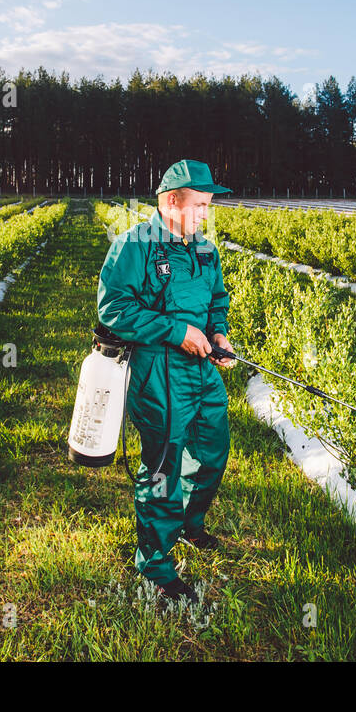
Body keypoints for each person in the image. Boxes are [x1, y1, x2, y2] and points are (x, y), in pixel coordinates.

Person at [96, 159, 235, 604]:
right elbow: (114, 309)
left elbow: (216, 298)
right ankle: (155, 564)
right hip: (158, 372)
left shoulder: (203, 249)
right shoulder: (133, 246)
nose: (204, 215)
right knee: (162, 468)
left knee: (212, 452)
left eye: (209, 206)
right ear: (171, 201)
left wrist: (217, 333)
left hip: (201, 369)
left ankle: (189, 525)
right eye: (199, 205)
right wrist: (178, 332)